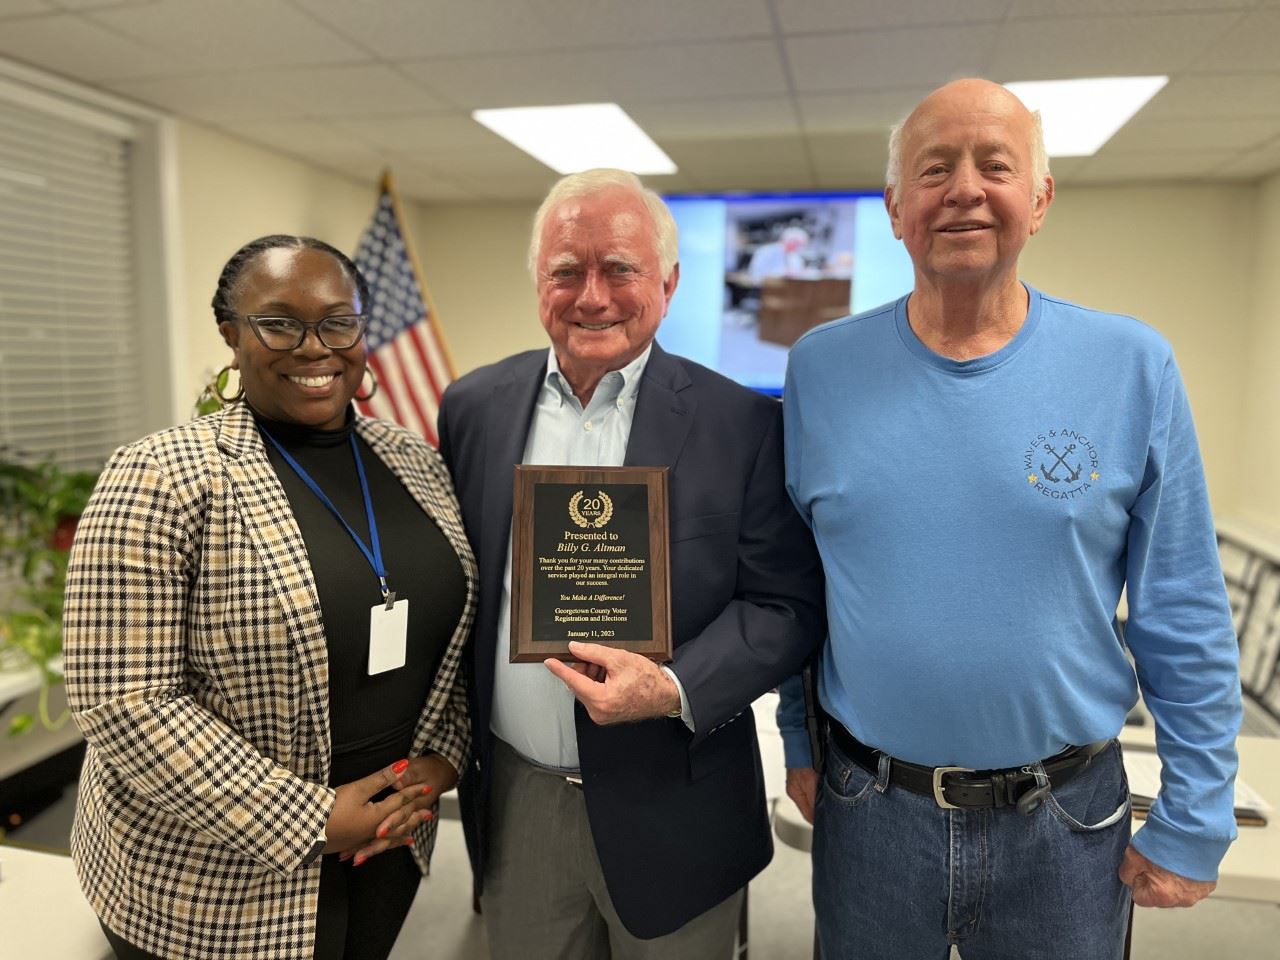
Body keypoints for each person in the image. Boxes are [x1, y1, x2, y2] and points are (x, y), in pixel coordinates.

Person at [779, 78, 1242, 959]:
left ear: (1039, 199)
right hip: (869, 809)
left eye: (995, 165)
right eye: (933, 169)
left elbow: (1183, 608)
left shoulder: (1131, 367)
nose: (963, 189)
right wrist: (798, 739)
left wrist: (1197, 812)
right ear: (894, 208)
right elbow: (798, 584)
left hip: (1065, 819)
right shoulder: (820, 371)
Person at [438, 168, 825, 958]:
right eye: (566, 271)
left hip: (676, 800)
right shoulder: (472, 408)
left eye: (620, 268)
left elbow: (785, 606)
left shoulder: (745, 423)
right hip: (519, 799)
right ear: (538, 282)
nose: (593, 296)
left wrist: (673, 687)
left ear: (668, 283)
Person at [63, 235, 477, 960]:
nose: (315, 347)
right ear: (231, 333)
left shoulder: (416, 461)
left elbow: (455, 638)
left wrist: (442, 759)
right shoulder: (159, 475)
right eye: (280, 323)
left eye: (338, 322)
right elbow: (123, 700)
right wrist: (312, 818)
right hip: (207, 887)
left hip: (389, 843)